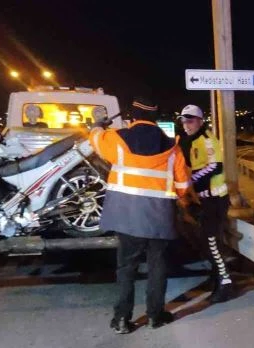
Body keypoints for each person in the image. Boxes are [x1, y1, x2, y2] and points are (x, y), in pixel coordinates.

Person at [88, 97, 192, 334]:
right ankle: (156, 316)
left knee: (126, 268)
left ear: (132, 117)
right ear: (156, 119)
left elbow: (94, 139)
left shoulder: (116, 139)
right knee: (157, 267)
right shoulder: (172, 148)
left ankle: (122, 319)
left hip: (127, 217)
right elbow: (184, 184)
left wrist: (97, 125)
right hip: (159, 219)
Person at [177, 105, 233, 304]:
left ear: (200, 121)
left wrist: (191, 180)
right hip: (205, 199)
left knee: (212, 242)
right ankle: (218, 276)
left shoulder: (206, 139)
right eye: (183, 120)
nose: (186, 124)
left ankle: (225, 283)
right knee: (207, 242)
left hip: (215, 200)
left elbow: (215, 166)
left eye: (190, 120)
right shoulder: (191, 141)